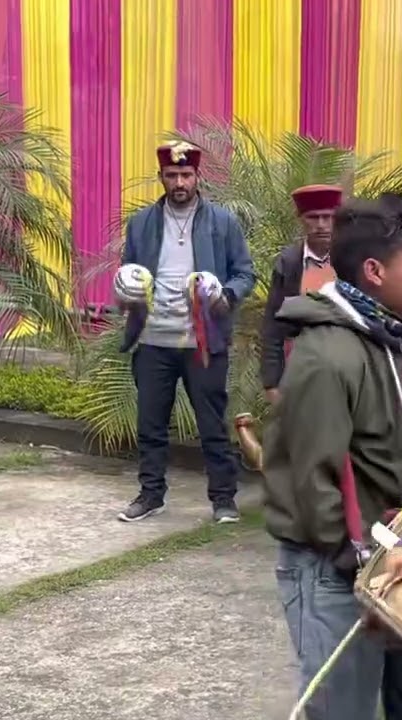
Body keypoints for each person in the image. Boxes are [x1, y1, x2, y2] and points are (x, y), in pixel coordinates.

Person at [260, 197, 402, 720]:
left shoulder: (393, 346)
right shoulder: (327, 356)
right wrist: (361, 566)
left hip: (397, 564)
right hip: (337, 574)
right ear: (374, 272)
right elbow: (311, 481)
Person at [117, 141, 256, 524]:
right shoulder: (142, 222)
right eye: (172, 175)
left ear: (197, 176)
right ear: (161, 177)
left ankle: (224, 500)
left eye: (186, 175)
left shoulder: (222, 222)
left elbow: (245, 274)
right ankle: (151, 495)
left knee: (212, 425)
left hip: (203, 342)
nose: (179, 182)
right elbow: (131, 272)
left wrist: (225, 296)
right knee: (150, 425)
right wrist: (125, 290)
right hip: (152, 340)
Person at [259, 184, 343, 404]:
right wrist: (272, 383)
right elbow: (272, 327)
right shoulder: (289, 263)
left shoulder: (351, 261)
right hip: (298, 369)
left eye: (327, 217)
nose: (321, 225)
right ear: (301, 219)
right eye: (313, 218)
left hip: (346, 369)